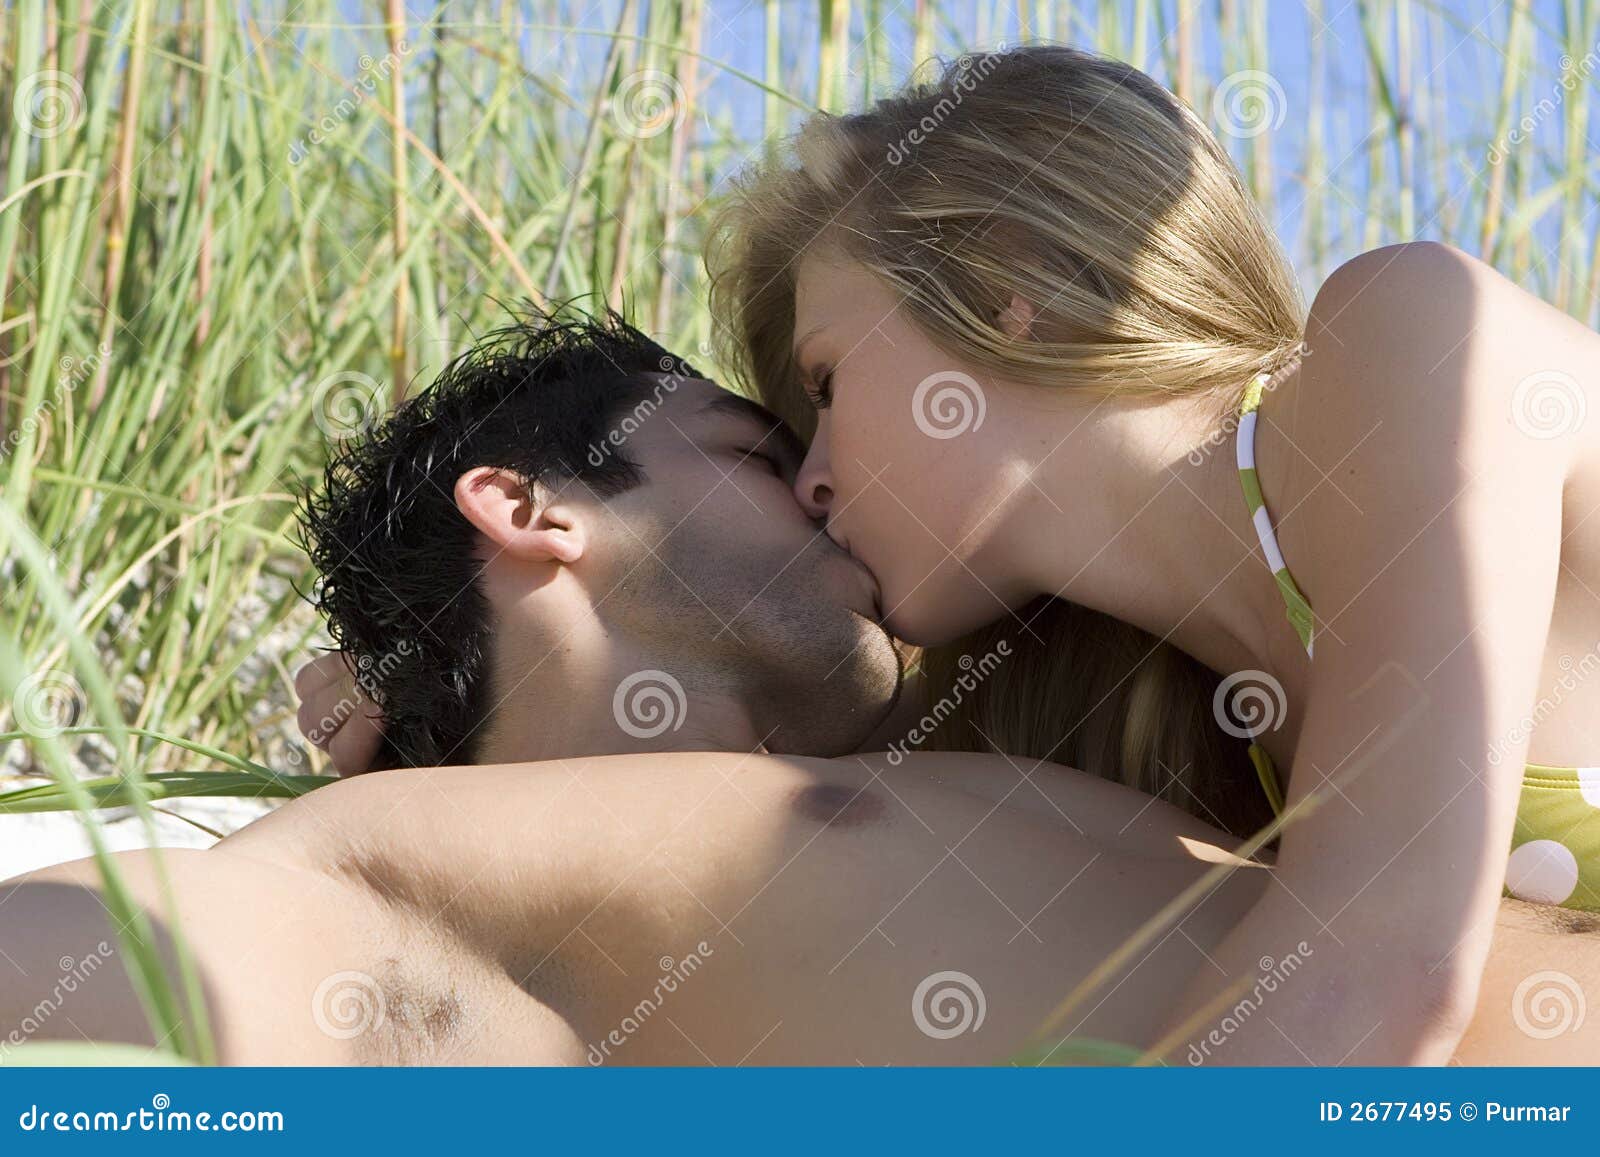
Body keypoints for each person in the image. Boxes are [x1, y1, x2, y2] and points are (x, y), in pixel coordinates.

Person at [5, 311, 1597, 1063]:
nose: (838, 489)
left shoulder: (1055, 753)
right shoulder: (422, 865)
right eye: (767, 454)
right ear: (532, 506)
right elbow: (118, 965)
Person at [692, 42, 1600, 1062]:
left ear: (1008, 283)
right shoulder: (1166, 720)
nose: (811, 481)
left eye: (824, 384)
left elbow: (1374, 969)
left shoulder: (1406, 333)